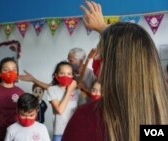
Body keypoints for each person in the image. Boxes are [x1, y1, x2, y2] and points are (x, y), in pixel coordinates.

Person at [62, 1, 168, 141]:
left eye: (102, 56)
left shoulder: (86, 119)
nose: (97, 59)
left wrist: (105, 30)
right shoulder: (160, 113)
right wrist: (105, 30)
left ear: (111, 67)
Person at [19, 47, 96, 103]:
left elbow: (100, 95)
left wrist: (85, 89)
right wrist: (33, 79)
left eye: (71, 61)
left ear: (80, 61)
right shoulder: (65, 73)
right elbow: (50, 87)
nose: (68, 63)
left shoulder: (91, 74)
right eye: (68, 60)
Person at [0, 57, 24, 141]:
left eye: (14, 69)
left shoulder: (21, 92)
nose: (10, 72)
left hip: (16, 134)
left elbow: (24, 114)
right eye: (6, 69)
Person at [47, 61, 80, 141]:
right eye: (62, 73)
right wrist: (69, 91)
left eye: (69, 74)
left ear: (72, 76)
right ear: (56, 75)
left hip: (74, 131)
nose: (66, 76)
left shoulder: (77, 92)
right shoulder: (52, 90)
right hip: (59, 133)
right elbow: (60, 110)